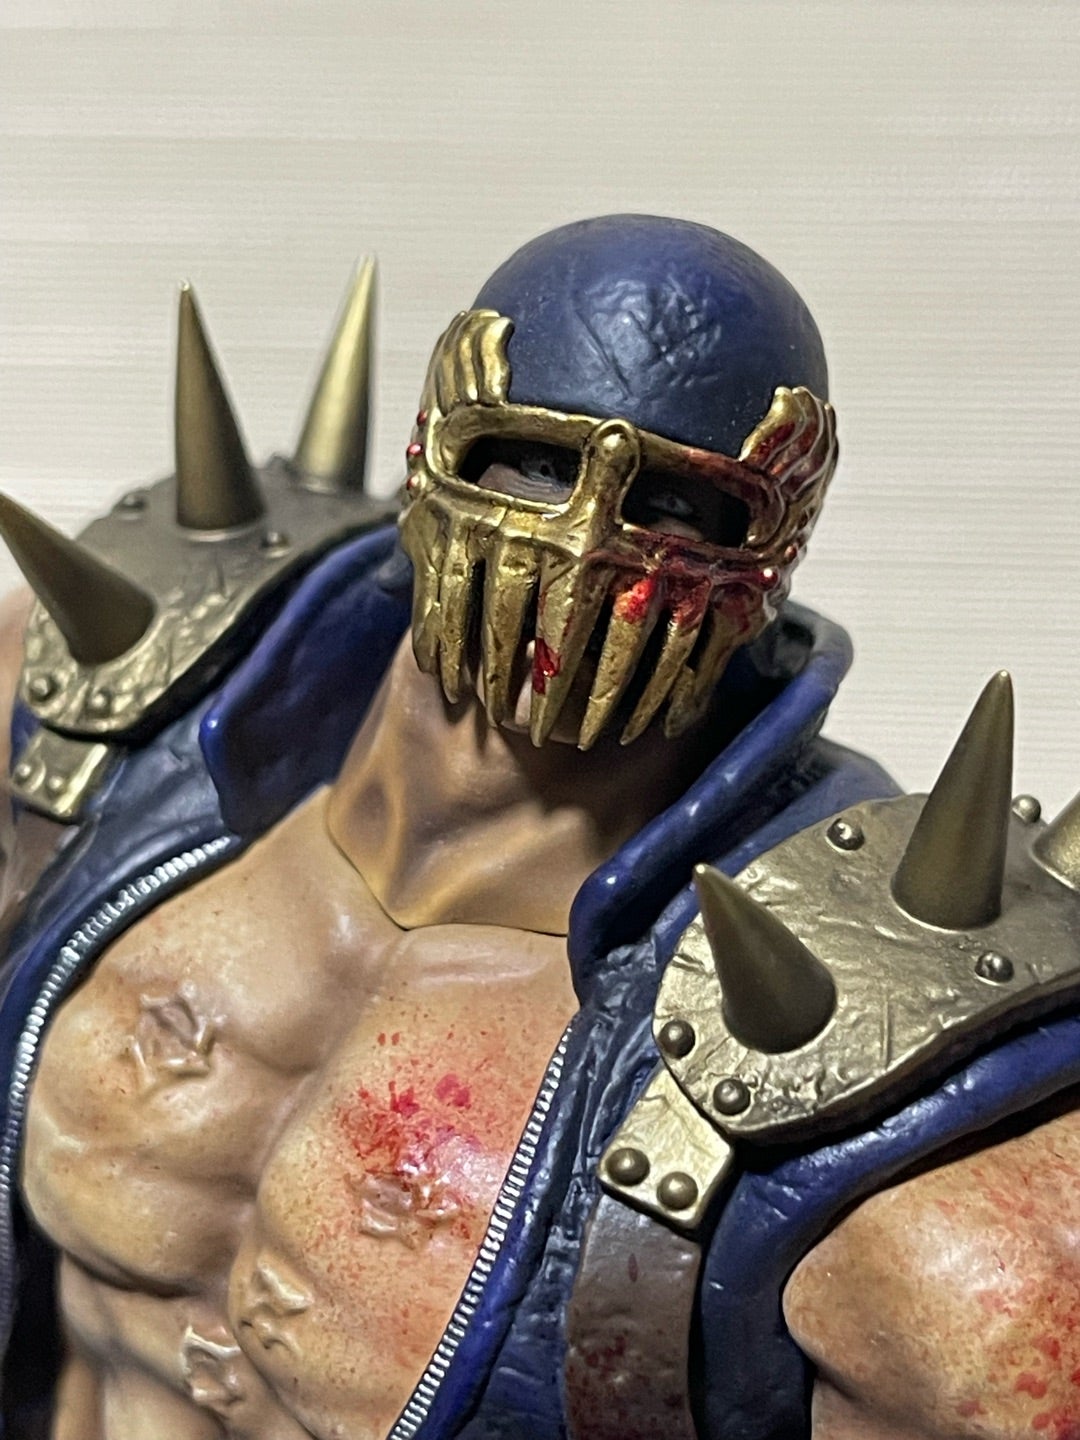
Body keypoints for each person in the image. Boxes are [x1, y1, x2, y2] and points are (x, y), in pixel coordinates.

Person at [0, 214, 1075, 1440]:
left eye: (680, 504)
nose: (585, 539)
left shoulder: (865, 1091)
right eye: (533, 464)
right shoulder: (107, 698)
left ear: (778, 547)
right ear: (433, 447)